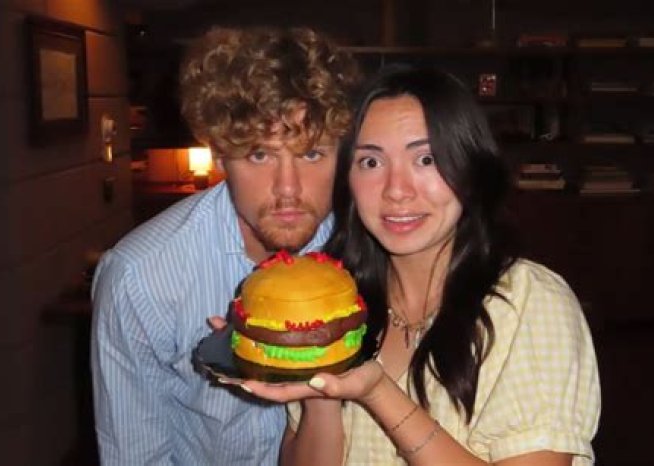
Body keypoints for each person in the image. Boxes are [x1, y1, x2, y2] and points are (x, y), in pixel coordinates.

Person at [242, 64, 601, 465]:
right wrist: (322, 390)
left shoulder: (530, 303)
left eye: (426, 159)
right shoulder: (338, 306)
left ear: (469, 168)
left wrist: (377, 392)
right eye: (371, 162)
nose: (396, 191)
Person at [90, 26, 361, 465]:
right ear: (218, 154)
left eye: (311, 153)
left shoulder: (366, 250)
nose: (288, 188)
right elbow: (136, 456)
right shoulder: (140, 278)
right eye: (259, 154)